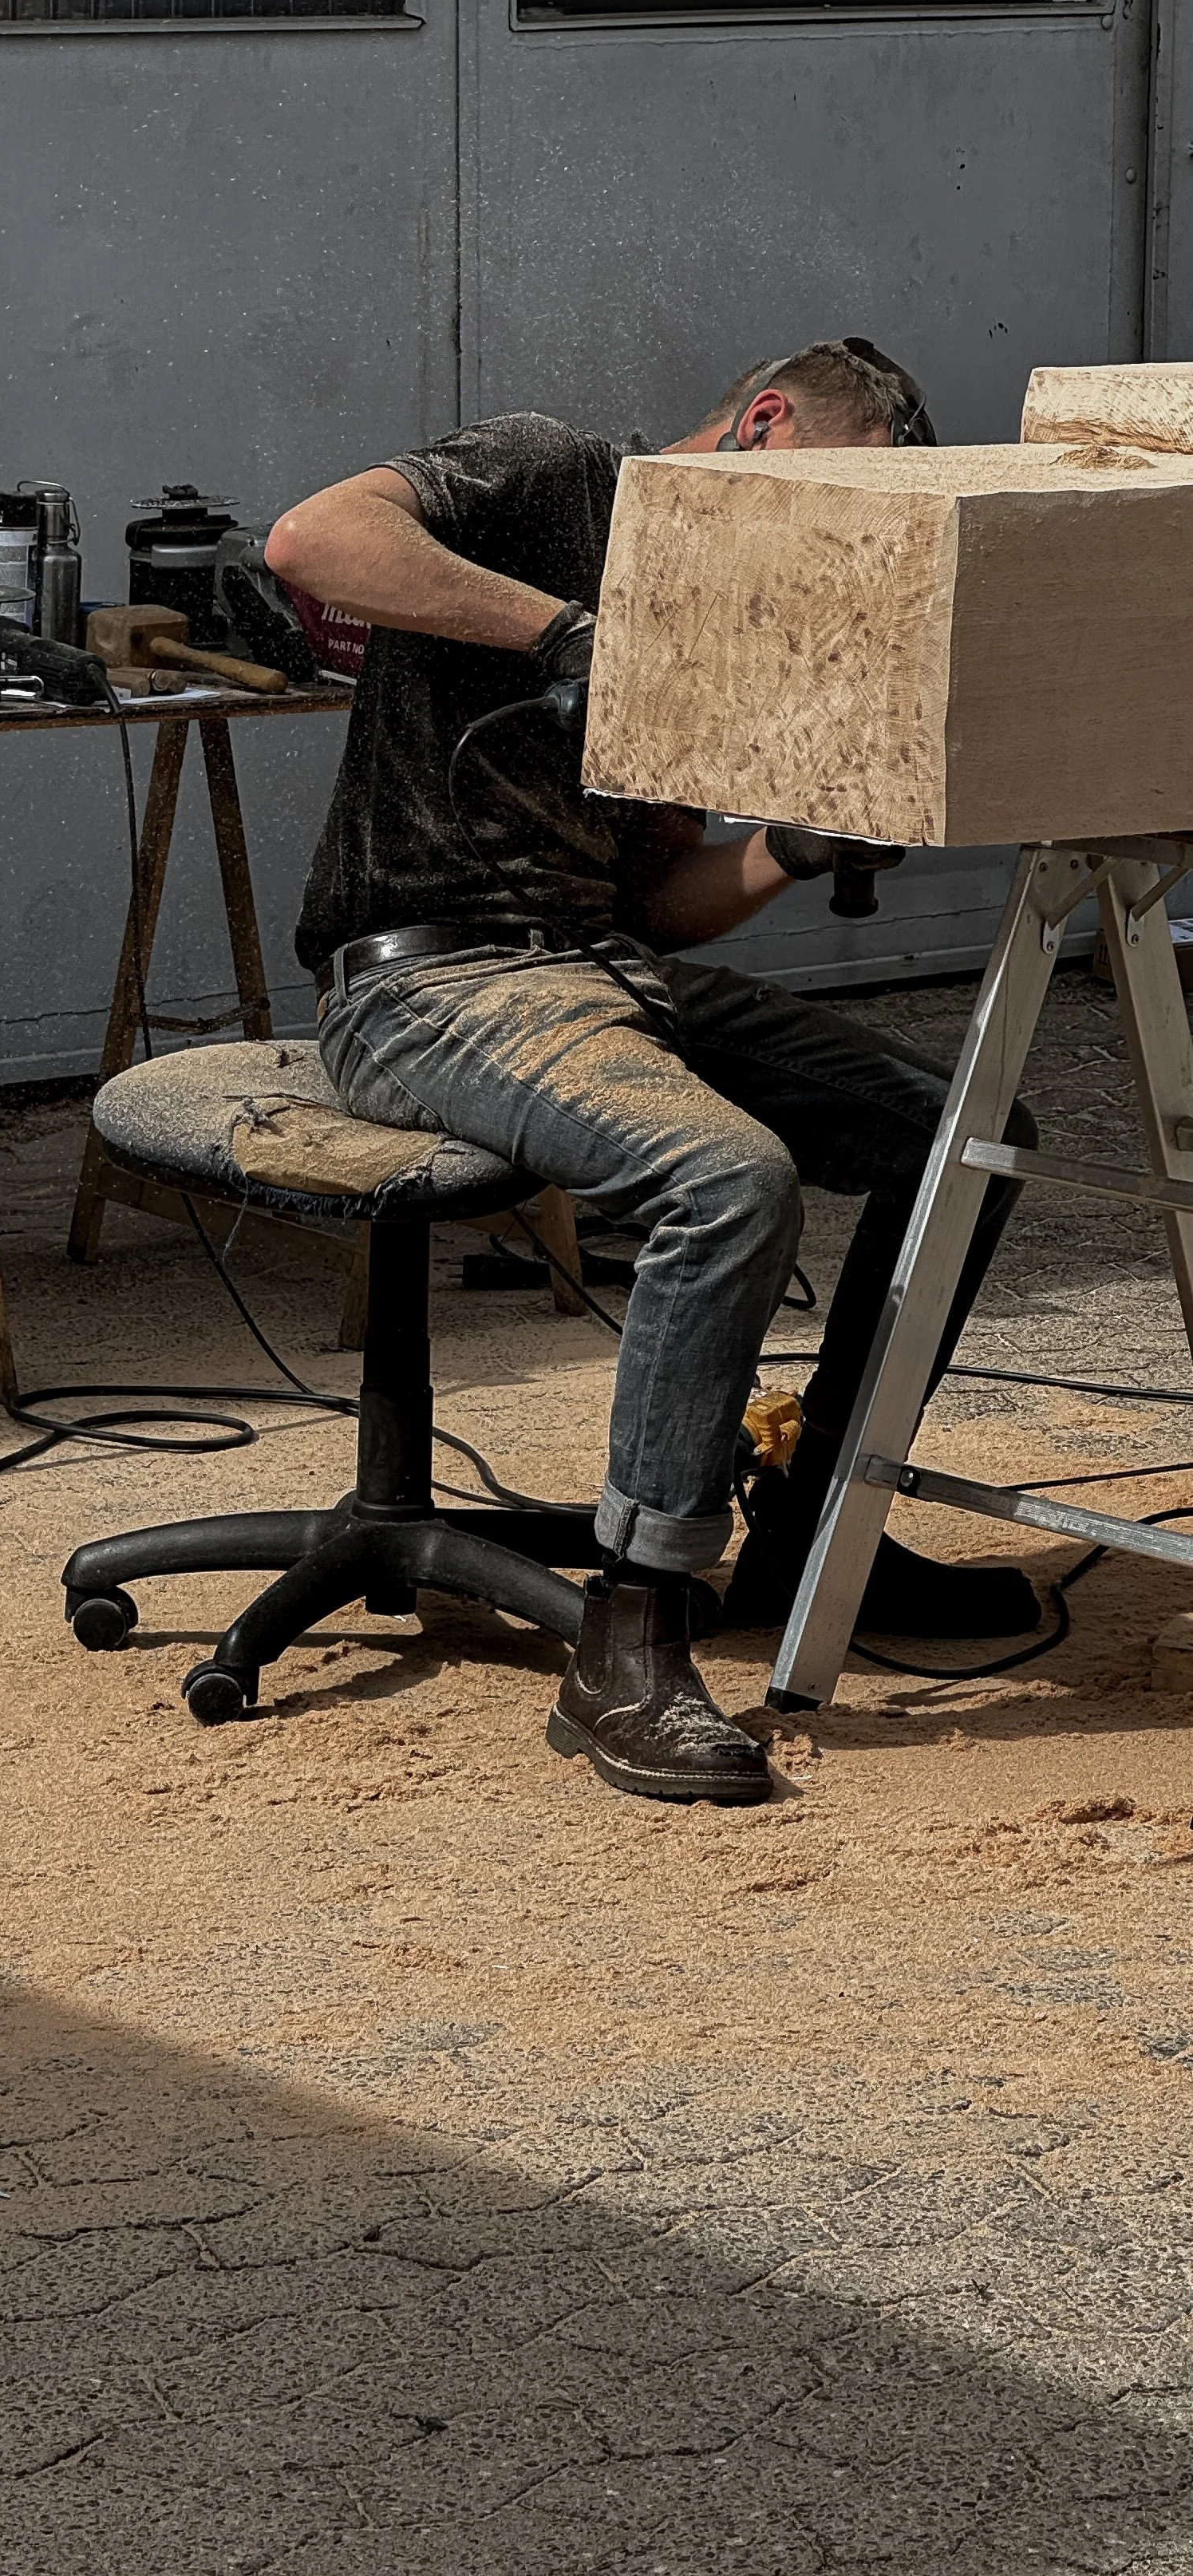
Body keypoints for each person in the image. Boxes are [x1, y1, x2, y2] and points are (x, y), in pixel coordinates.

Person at [264, 339, 1041, 1811]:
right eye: (837, 493)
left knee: (969, 1130)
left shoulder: (724, 616)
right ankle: (633, 1628)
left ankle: (823, 1535)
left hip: (590, 965)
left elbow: (657, 901)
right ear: (763, 423)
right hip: (423, 979)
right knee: (725, 1176)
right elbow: (314, 540)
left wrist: (797, 849)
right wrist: (570, 633)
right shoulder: (558, 477)